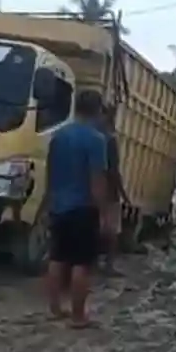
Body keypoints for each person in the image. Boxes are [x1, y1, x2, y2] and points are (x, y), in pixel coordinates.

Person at [44, 90, 108, 329]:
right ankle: (78, 316)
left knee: (57, 258)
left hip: (59, 206)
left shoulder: (58, 136)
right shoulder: (96, 140)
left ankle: (54, 309)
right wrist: (102, 213)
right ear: (97, 110)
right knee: (82, 263)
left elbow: (49, 173)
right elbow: (96, 179)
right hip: (82, 208)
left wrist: (47, 202)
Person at [97, 106, 126, 276]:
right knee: (112, 231)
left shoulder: (92, 135)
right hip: (108, 191)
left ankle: (92, 263)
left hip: (90, 190)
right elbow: (114, 170)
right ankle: (109, 266)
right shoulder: (110, 140)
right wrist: (123, 193)